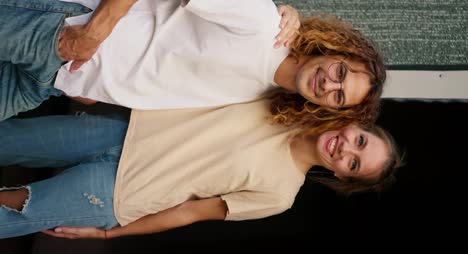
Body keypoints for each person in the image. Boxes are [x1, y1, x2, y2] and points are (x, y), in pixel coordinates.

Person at [0, 98, 401, 239]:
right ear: (354, 124)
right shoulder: (288, 101)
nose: (346, 149)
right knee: (9, 137)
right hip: (118, 131)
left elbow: (190, 211)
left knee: (8, 207)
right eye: (360, 141)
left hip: (117, 191)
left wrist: (108, 236)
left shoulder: (279, 195)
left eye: (354, 163)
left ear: (343, 176)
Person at [0, 0, 385, 123]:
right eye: (341, 73)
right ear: (336, 51)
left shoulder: (260, 100)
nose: (330, 85)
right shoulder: (262, 23)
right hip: (62, 37)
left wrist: (98, 91)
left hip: (54, 83)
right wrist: (93, 34)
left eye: (338, 97)